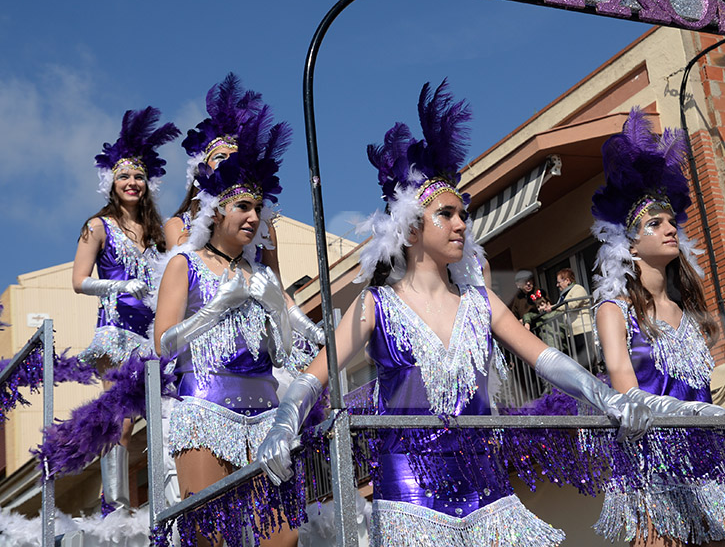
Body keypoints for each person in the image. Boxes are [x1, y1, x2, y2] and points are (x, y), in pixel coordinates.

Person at [257, 81, 654, 546]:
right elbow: (313, 377)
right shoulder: (376, 306)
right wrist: (285, 422)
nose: (462, 223)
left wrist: (604, 396)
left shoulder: (479, 302)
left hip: (487, 488)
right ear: (409, 229)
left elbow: (544, 357)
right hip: (410, 496)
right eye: (446, 214)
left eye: (463, 213)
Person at [590, 109, 725, 546]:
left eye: (671, 222)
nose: (669, 229)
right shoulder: (614, 310)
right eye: (654, 223)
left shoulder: (689, 312)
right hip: (656, 475)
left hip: (711, 470)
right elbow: (628, 396)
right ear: (629, 241)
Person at [154, 102, 297, 547]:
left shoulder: (263, 275)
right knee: (210, 537)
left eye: (258, 207)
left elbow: (284, 354)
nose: (254, 217)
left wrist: (278, 312)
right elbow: (163, 344)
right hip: (205, 412)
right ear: (216, 209)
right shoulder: (185, 263)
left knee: (284, 539)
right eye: (242, 207)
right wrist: (218, 306)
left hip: (269, 415)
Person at [162, 73, 323, 347]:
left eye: (234, 156)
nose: (228, 162)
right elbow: (186, 279)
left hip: (257, 328)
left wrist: (313, 332)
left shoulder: (262, 225)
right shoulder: (179, 224)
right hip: (203, 334)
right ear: (202, 166)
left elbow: (277, 286)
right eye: (220, 157)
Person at [72, 107, 180, 511]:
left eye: (137, 176)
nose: (132, 182)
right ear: (111, 183)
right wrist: (120, 284)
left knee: (167, 414)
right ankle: (114, 504)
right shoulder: (97, 226)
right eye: (124, 176)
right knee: (121, 418)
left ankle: (168, 498)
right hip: (116, 333)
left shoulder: (157, 232)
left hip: (154, 335)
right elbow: (79, 280)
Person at [555, 268, 594, 370]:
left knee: (587, 360)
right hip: (572, 332)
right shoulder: (564, 295)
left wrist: (554, 307)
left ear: (567, 280)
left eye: (559, 282)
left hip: (583, 330)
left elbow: (572, 305)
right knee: (579, 361)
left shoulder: (578, 289)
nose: (557, 285)